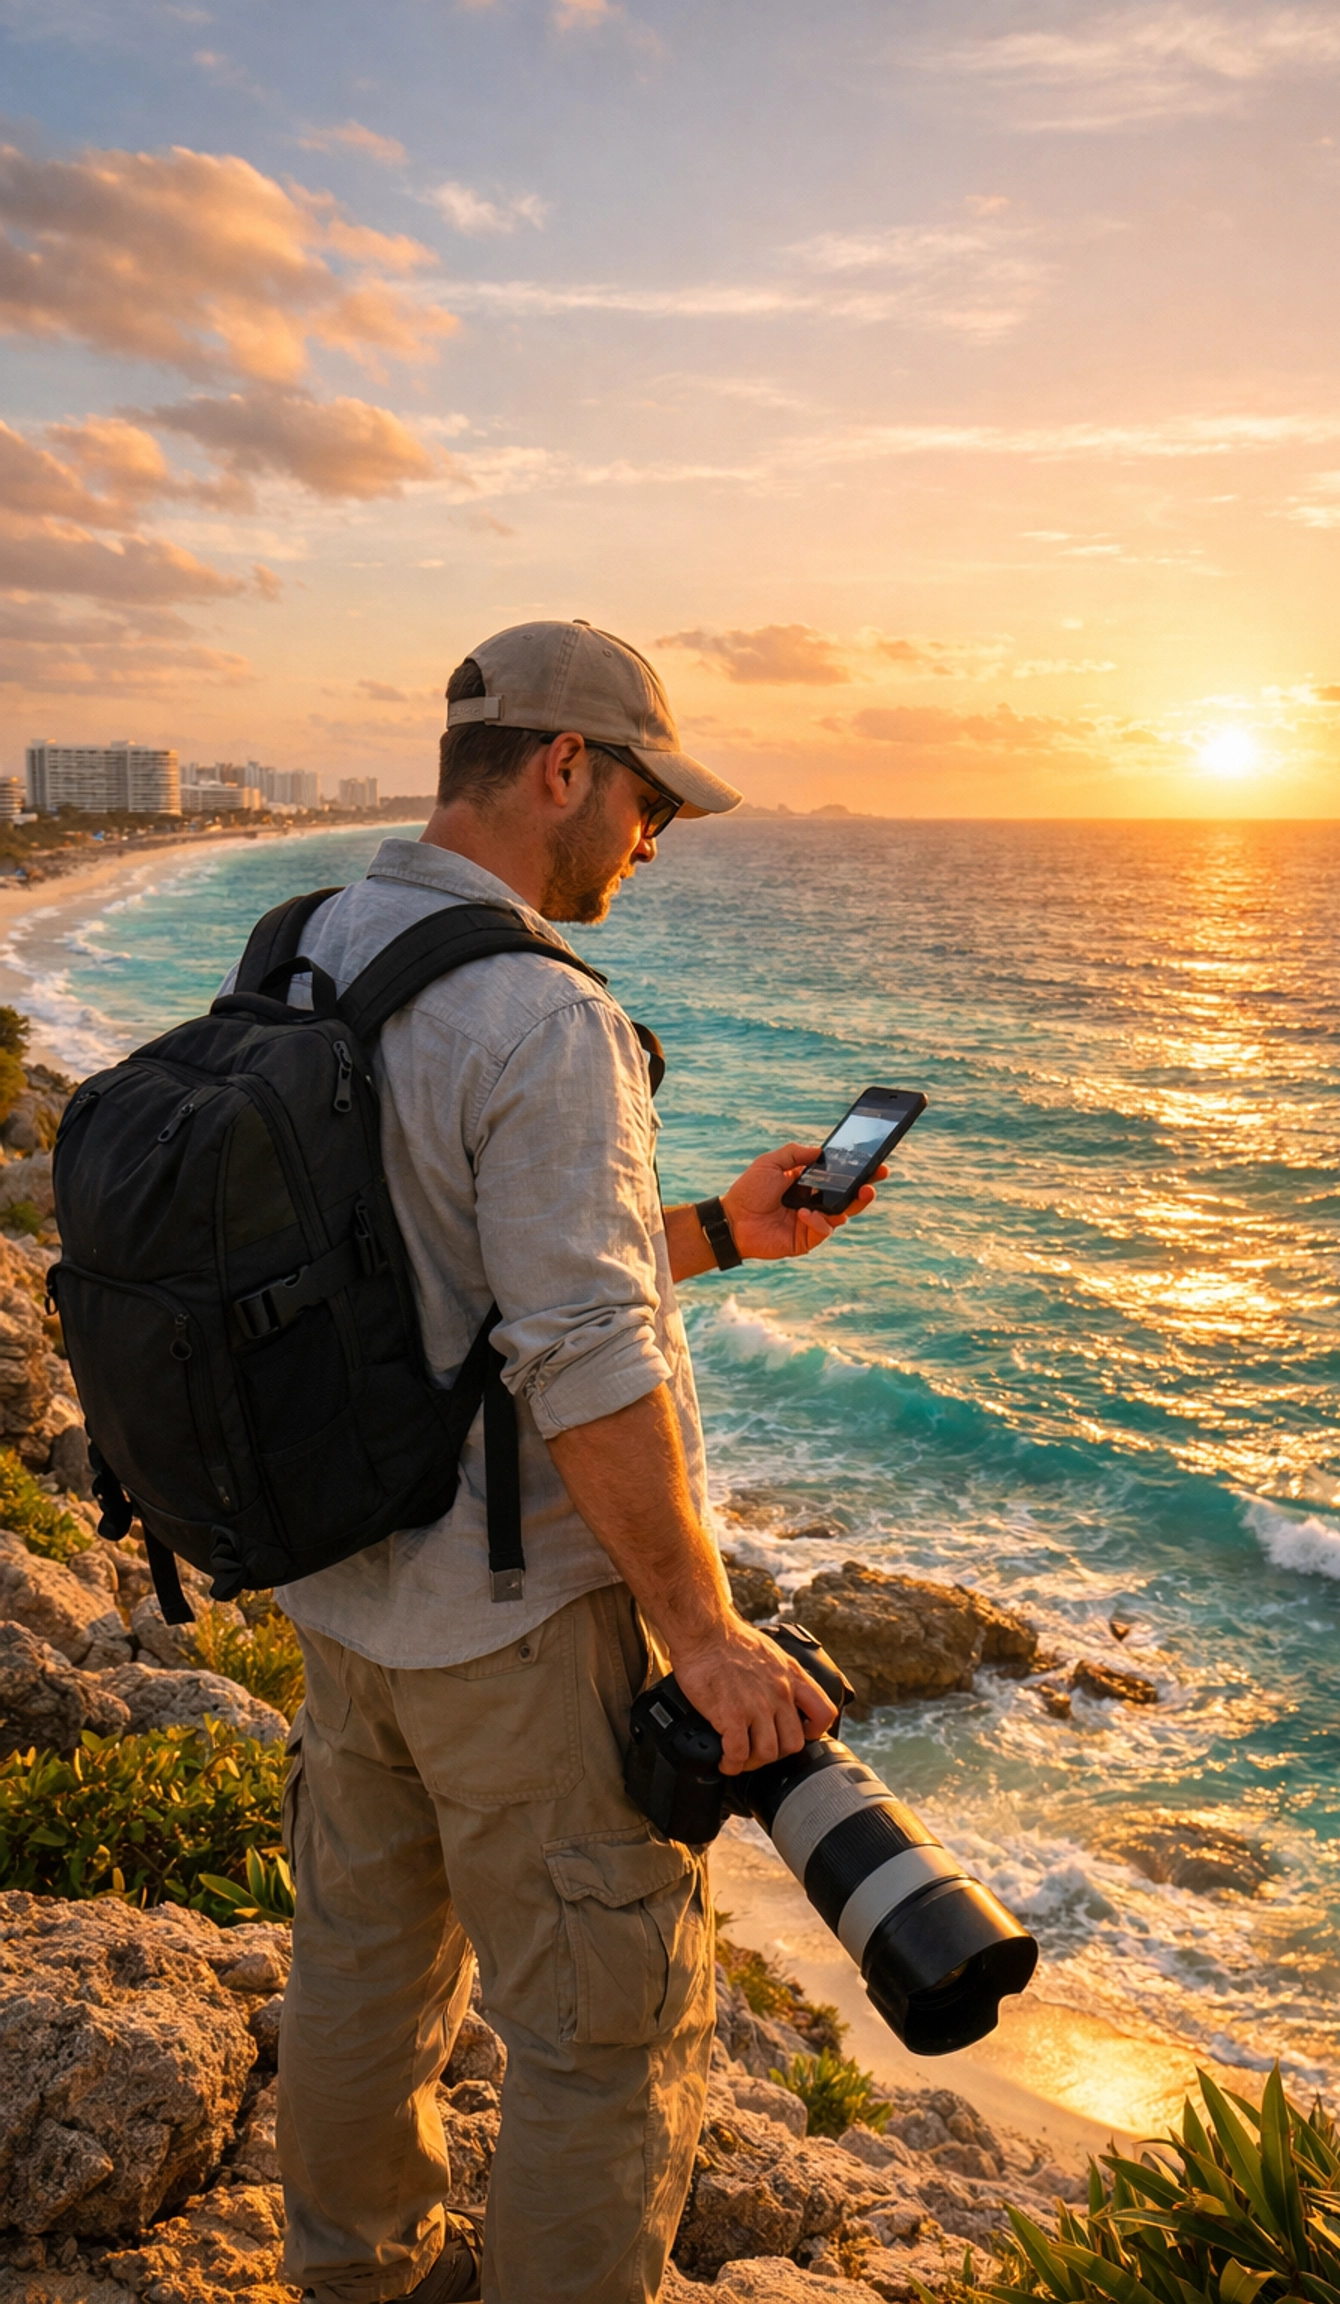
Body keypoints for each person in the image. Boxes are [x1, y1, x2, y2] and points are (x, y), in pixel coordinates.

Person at [274, 620, 882, 2304]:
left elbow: (428, 1268)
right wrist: (700, 1631)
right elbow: (582, 1355)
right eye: (648, 803)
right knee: (605, 2042)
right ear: (563, 769)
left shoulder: (306, 946)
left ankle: (352, 2278)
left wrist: (716, 1237)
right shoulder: (540, 1018)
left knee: (359, 1970)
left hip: (342, 1581)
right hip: (513, 1623)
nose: (652, 840)